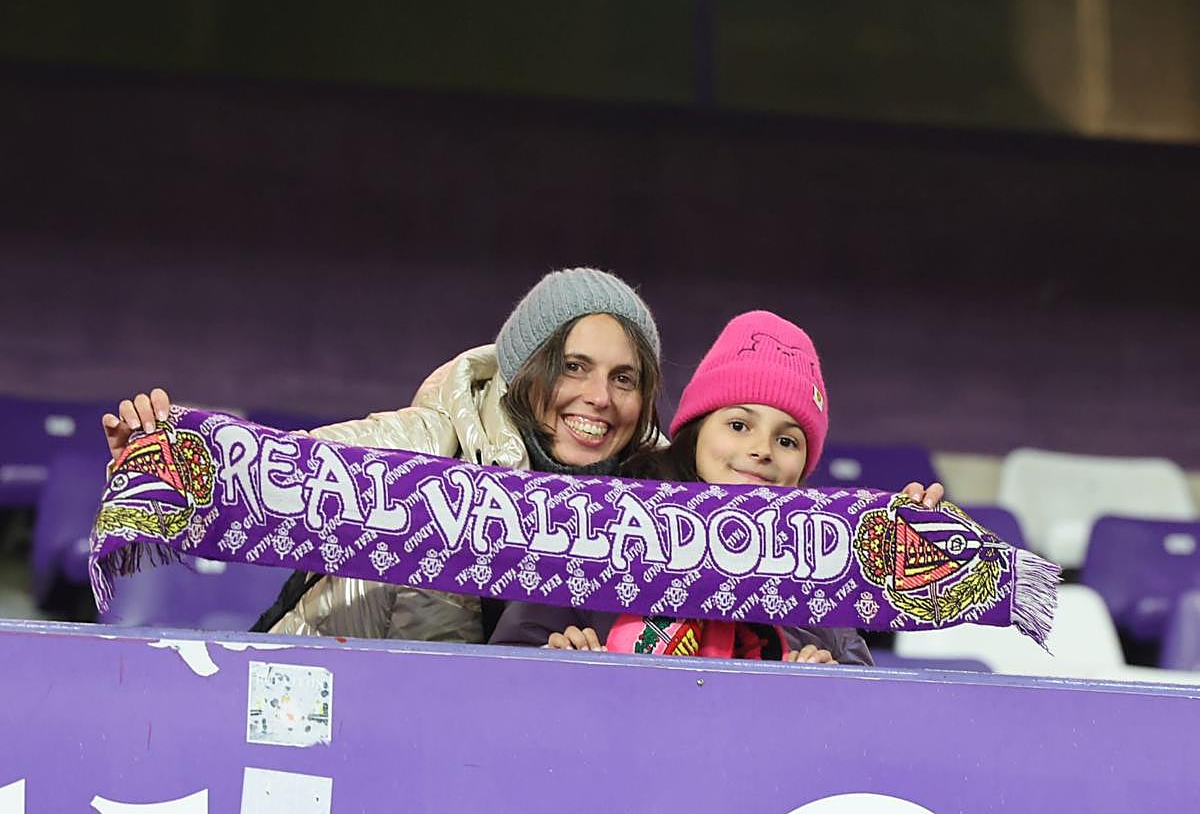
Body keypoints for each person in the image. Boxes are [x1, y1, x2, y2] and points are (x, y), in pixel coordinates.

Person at [101, 267, 665, 642]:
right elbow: (285, 467)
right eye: (574, 367)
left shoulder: (667, 514)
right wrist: (164, 451)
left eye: (624, 378)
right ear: (523, 372)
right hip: (329, 737)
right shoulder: (425, 444)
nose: (600, 398)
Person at [490, 310, 874, 664]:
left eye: (787, 441)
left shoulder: (818, 566)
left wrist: (829, 687)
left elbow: (874, 713)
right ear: (696, 432)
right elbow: (504, 669)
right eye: (739, 425)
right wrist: (554, 661)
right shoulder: (605, 526)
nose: (761, 451)